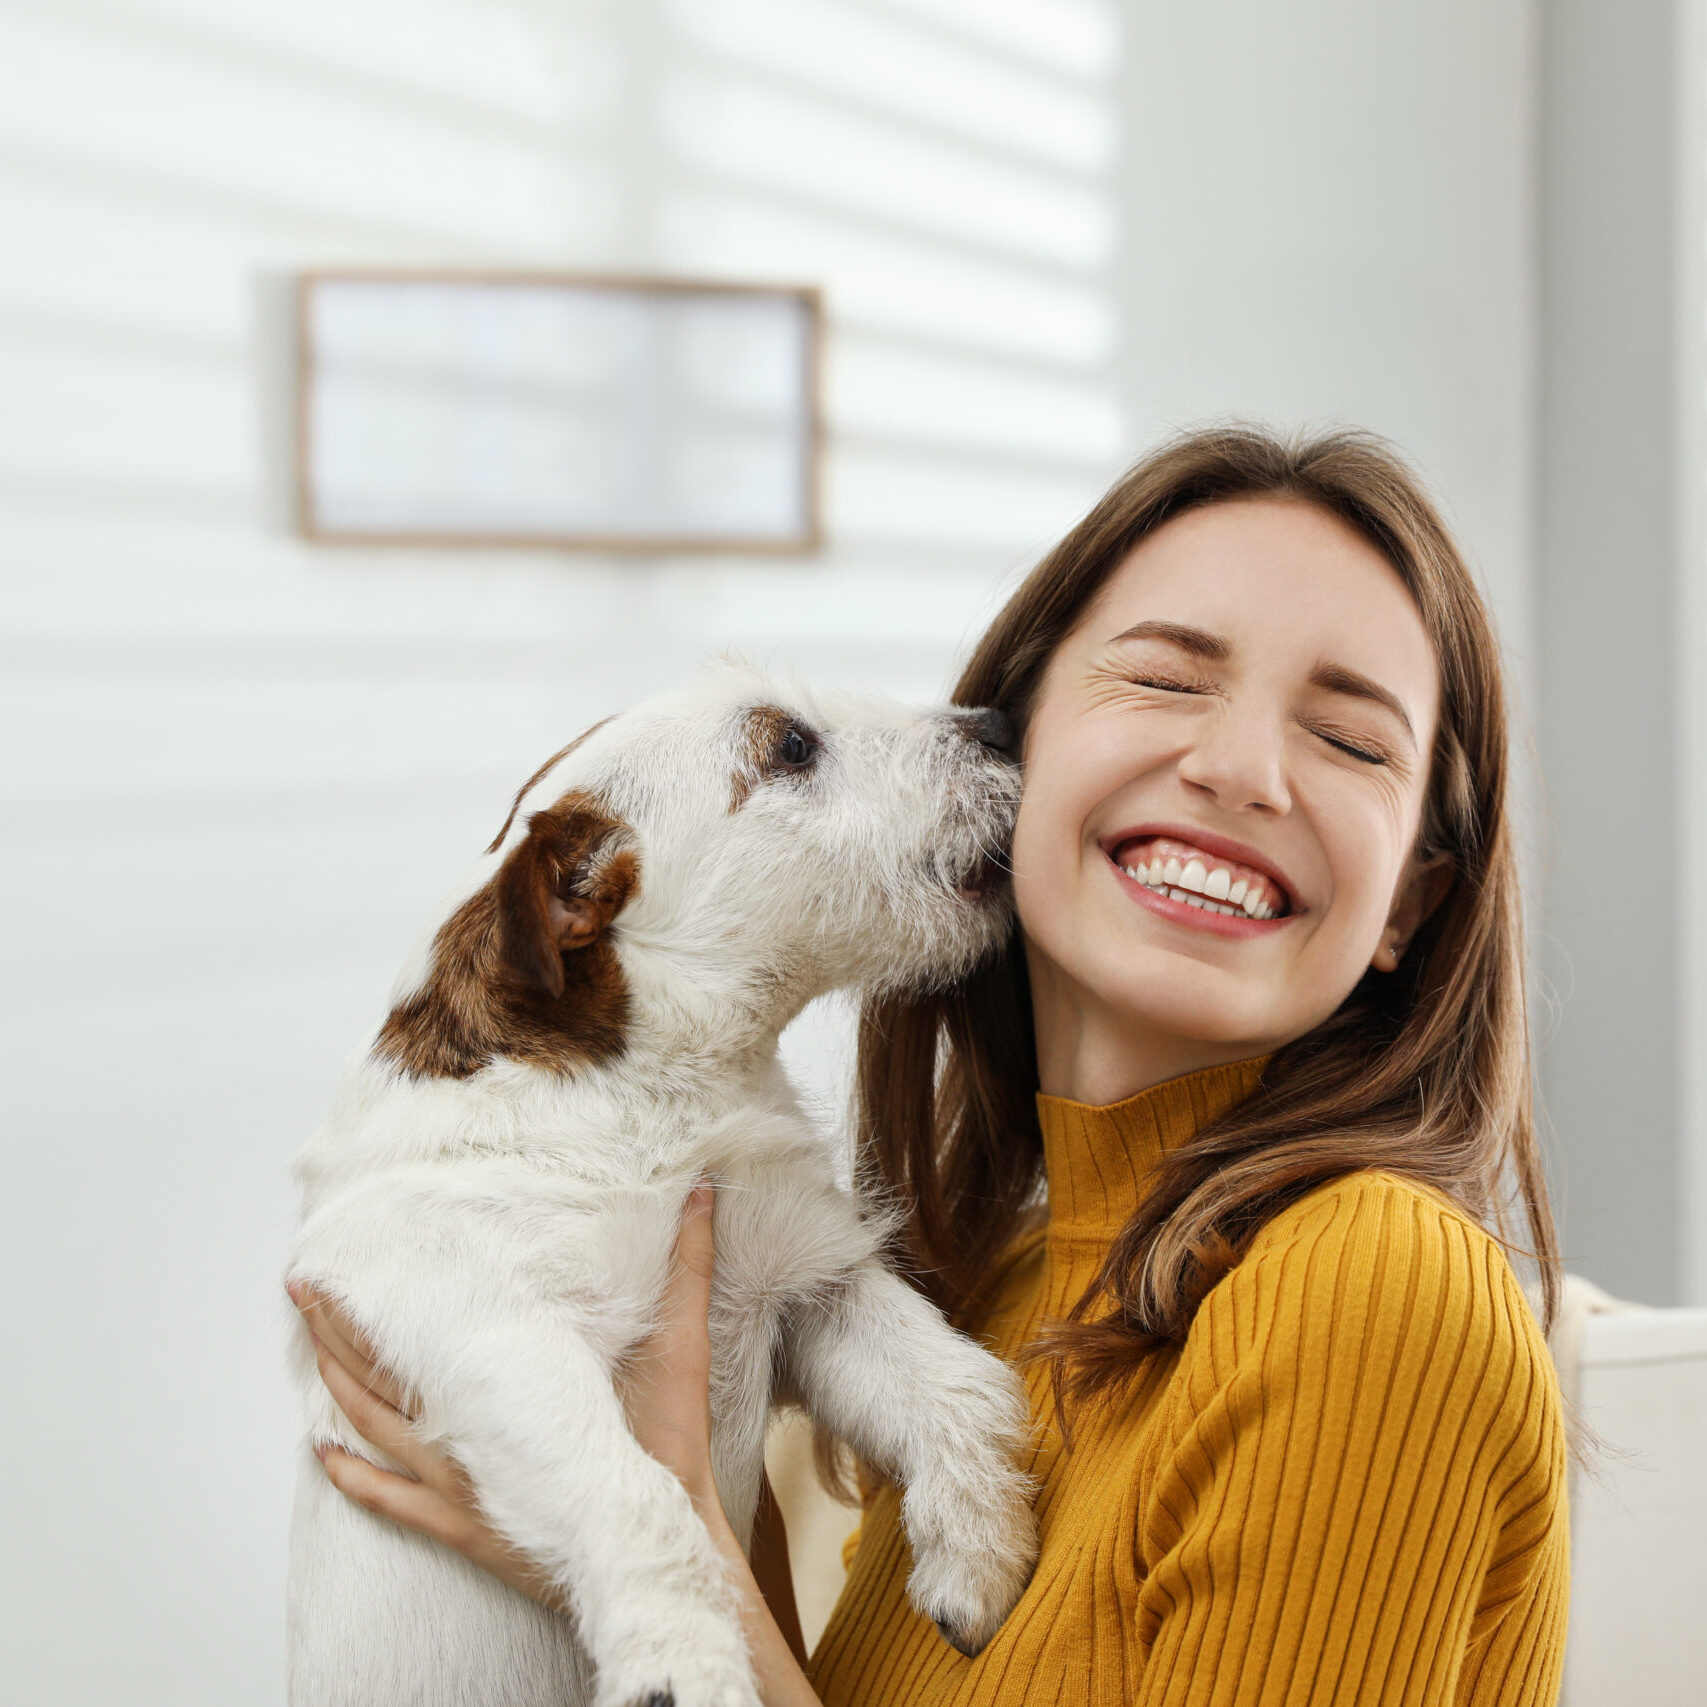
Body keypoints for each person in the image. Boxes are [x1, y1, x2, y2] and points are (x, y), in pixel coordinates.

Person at [292, 425, 1569, 1705]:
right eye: (1169, 680)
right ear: (1021, 736)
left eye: (1351, 740)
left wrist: (669, 1533)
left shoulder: (1375, 1290)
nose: (1238, 769)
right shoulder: (1005, 1287)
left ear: (1411, 901)